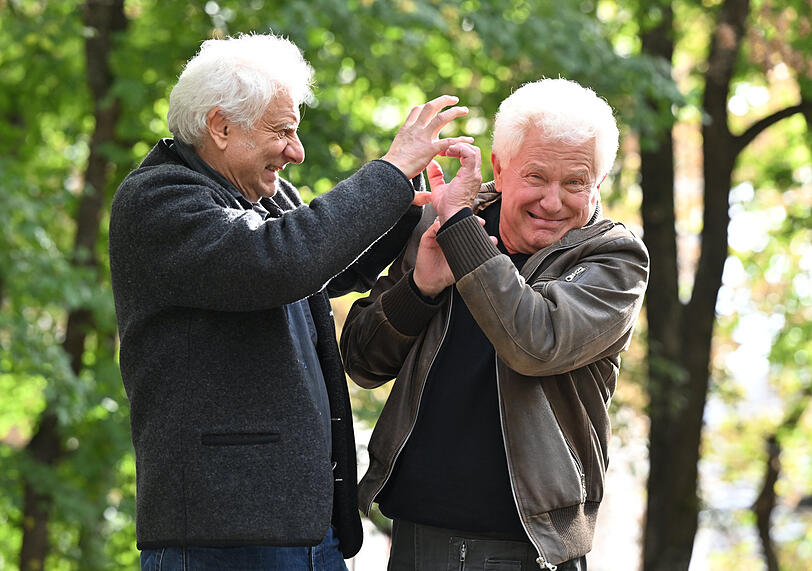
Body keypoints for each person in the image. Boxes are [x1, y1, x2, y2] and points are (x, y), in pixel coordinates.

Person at [108, 32, 474, 571]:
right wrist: (391, 171)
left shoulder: (262, 195)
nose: (296, 152)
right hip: (222, 535)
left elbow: (333, 263)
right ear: (221, 125)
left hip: (308, 527)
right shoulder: (156, 200)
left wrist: (415, 188)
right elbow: (280, 261)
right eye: (282, 131)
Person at [340, 78, 650, 570]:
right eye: (536, 177)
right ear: (500, 169)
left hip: (526, 550)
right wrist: (419, 287)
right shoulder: (441, 225)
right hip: (415, 539)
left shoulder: (615, 258)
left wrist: (462, 230)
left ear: (598, 185)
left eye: (575, 182)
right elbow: (361, 362)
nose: (553, 202)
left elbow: (535, 341)